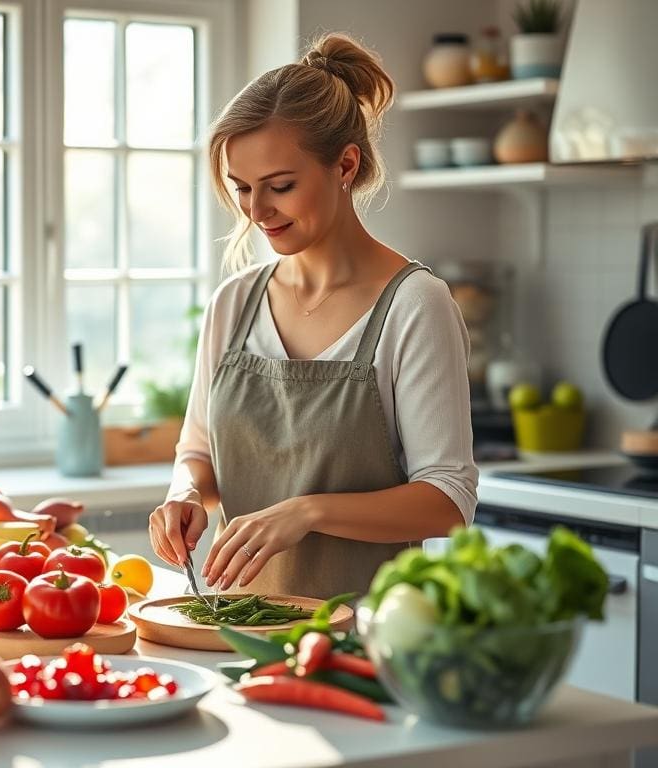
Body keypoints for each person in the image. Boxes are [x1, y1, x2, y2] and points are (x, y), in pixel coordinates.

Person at [148, 32, 478, 600]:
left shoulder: (413, 304)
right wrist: (183, 494)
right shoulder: (234, 302)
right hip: (241, 629)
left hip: (367, 635)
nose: (255, 212)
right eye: (242, 188)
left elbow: (447, 500)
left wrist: (307, 512)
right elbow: (197, 452)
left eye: (280, 186)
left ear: (345, 164)